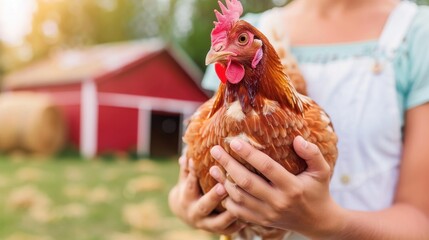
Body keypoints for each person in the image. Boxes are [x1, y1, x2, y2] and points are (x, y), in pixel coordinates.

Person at [169, 0, 429, 239]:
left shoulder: (416, 34)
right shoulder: (258, 27)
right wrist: (184, 205)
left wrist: (329, 222)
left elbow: (421, 219)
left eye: (242, 39)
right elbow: (187, 182)